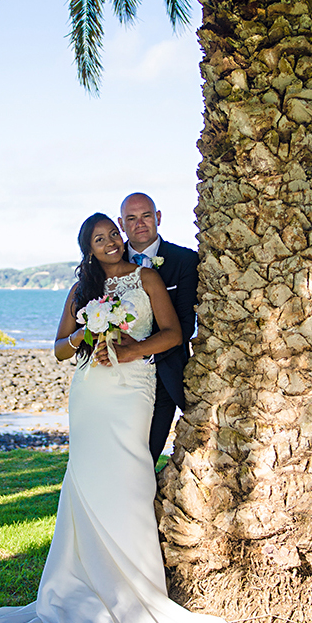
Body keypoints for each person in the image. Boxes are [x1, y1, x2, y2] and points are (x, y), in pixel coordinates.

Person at [0, 214, 250, 623]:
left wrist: (133, 349)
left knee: (132, 476)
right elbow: (58, 349)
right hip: (91, 389)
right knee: (88, 478)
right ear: (88, 248)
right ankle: (83, 583)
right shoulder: (81, 290)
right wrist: (84, 333)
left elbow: (174, 333)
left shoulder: (146, 277)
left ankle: (139, 588)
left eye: (114, 233)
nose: (112, 241)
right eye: (101, 239)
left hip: (133, 385)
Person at [117, 192, 199, 462]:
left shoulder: (184, 260)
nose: (139, 223)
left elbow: (185, 327)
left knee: (144, 457)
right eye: (131, 218)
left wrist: (140, 352)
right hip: (115, 377)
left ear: (158, 218)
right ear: (121, 224)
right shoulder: (108, 265)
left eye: (146, 216)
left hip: (162, 376)